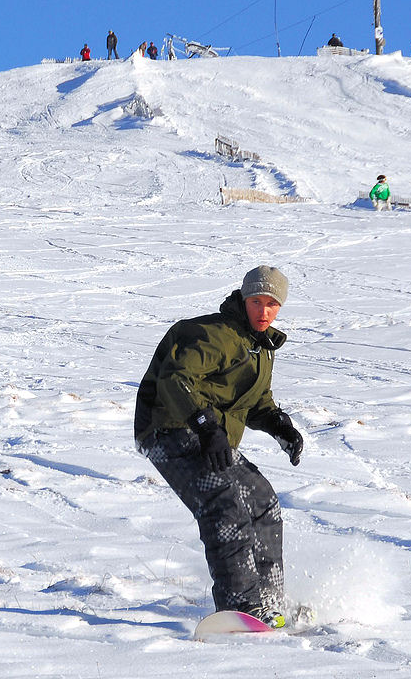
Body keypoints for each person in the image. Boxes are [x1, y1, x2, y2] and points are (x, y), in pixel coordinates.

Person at [134, 266, 302, 629]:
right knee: (223, 504)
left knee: (263, 500)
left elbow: (255, 402)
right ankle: (239, 606)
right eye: (257, 301)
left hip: (208, 434)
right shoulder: (214, 335)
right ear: (244, 299)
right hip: (167, 428)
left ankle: (269, 602)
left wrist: (279, 426)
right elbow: (175, 380)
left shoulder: (260, 346)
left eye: (272, 304)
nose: (264, 311)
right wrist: (205, 427)